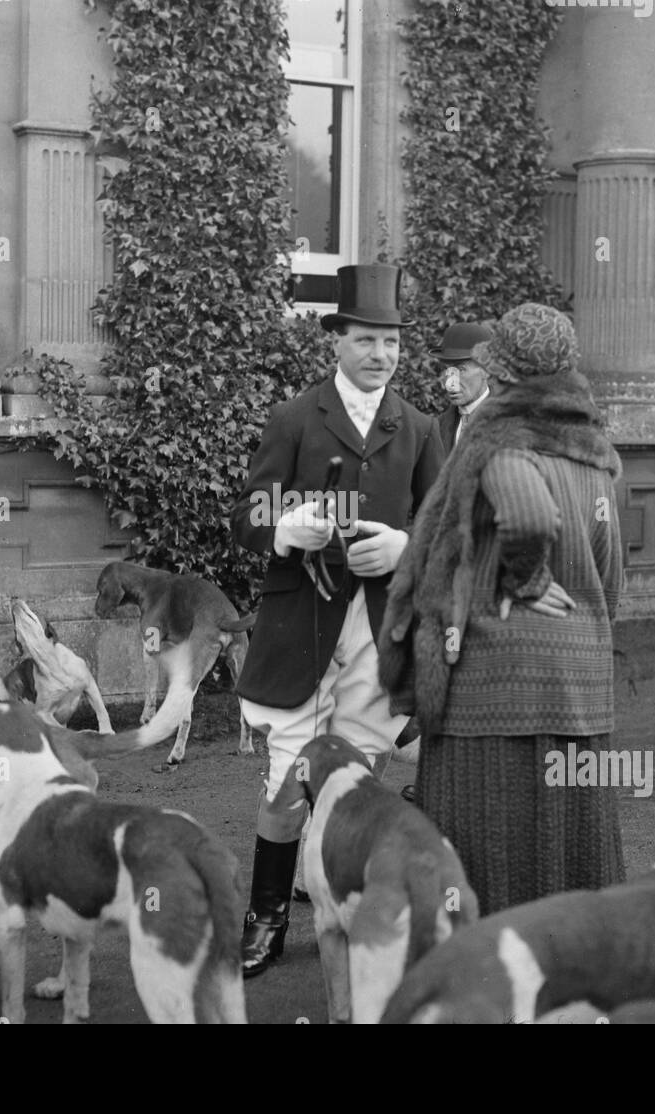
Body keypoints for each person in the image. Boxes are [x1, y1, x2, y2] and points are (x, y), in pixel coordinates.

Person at [230, 263, 444, 976]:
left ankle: (348, 906)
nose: (380, 354)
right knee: (288, 775)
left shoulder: (416, 427)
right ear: (337, 344)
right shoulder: (294, 417)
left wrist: (406, 549)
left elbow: (448, 533)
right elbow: (247, 516)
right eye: (366, 340)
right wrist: (287, 527)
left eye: (391, 342)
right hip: (302, 629)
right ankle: (267, 916)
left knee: (354, 775)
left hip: (375, 629)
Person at [378, 302, 626, 916]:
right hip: (577, 688)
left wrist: (527, 580)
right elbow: (612, 576)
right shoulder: (591, 452)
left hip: (492, 689)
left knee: (481, 856)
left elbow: (529, 514)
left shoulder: (500, 441)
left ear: (507, 375)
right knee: (572, 860)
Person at [430, 321, 494, 450]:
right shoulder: (435, 429)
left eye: (462, 370)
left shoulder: (510, 424)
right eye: (448, 370)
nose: (450, 383)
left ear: (486, 370)